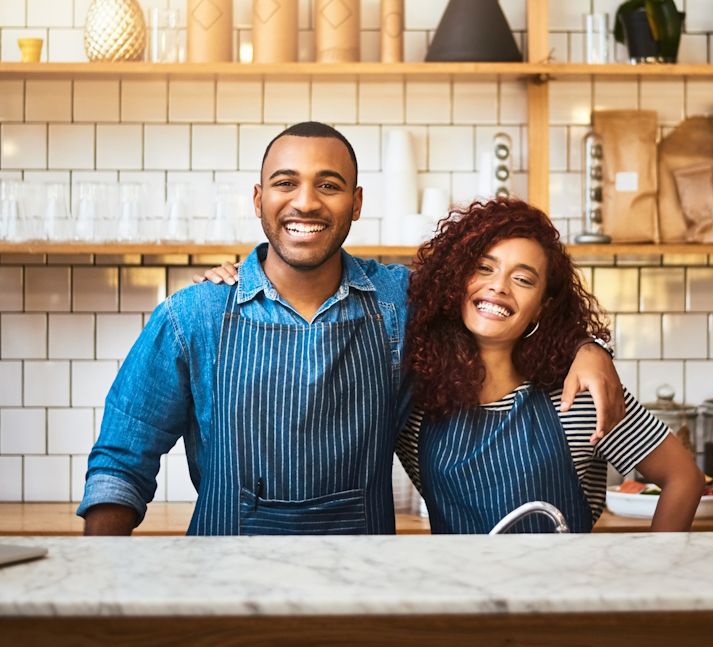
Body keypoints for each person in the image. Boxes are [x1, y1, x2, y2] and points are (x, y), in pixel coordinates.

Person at [79, 122, 624, 536]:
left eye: (330, 185)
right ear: (258, 199)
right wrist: (106, 597)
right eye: (285, 182)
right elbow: (121, 464)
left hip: (363, 593)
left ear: (357, 203)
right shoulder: (191, 316)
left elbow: (496, 309)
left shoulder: (400, 302)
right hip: (223, 587)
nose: (306, 201)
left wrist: (587, 345)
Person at [394, 199, 704, 533]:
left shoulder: (580, 395)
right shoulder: (414, 400)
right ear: (457, 280)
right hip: (459, 584)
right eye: (484, 268)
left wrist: (657, 575)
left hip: (564, 583)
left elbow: (683, 477)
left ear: (543, 307)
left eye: (523, 280)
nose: (499, 286)